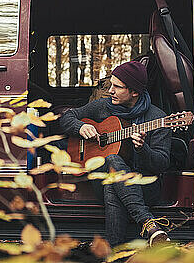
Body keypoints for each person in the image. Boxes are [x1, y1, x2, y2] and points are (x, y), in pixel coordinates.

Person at [59, 61, 171, 247]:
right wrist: (81, 127)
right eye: (111, 84)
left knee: (113, 182)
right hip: (101, 179)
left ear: (134, 92)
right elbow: (67, 117)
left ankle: (114, 253)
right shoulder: (103, 106)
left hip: (145, 185)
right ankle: (148, 225)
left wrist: (143, 149)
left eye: (117, 87)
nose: (110, 90)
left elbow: (162, 164)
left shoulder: (158, 119)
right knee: (112, 165)